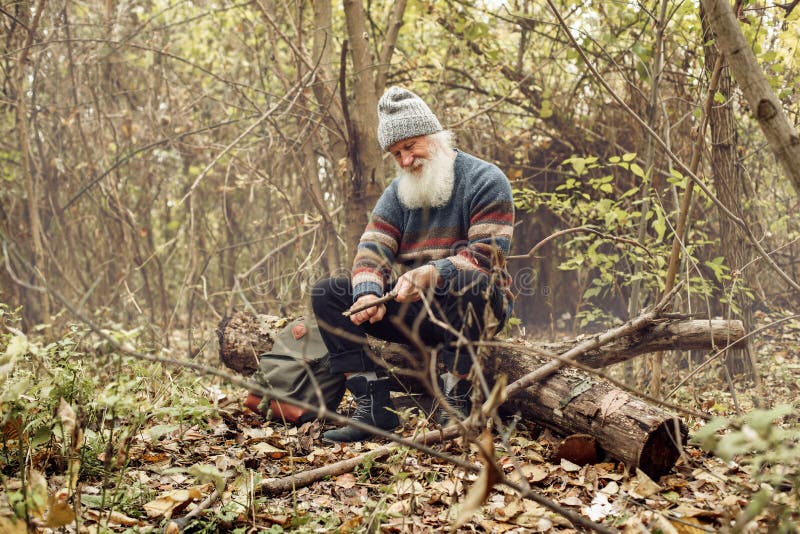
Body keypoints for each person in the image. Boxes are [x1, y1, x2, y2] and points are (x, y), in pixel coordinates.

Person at [312, 86, 514, 442]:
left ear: (434, 136)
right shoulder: (397, 193)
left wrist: (433, 272)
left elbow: (488, 257)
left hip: (474, 308)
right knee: (328, 293)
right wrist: (367, 294)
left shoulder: (485, 179)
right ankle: (373, 404)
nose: (405, 160)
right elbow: (372, 248)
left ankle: (458, 399)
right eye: (396, 153)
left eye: (410, 147)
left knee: (474, 283)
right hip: (416, 310)